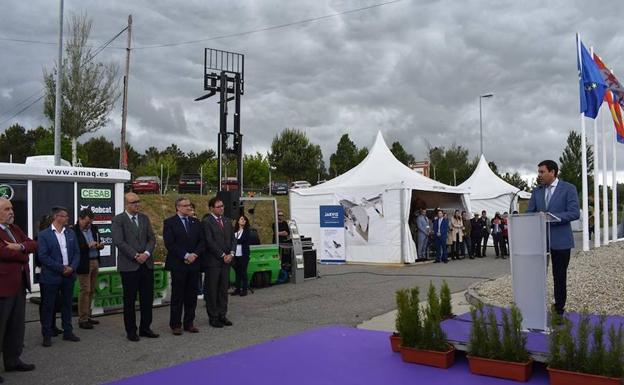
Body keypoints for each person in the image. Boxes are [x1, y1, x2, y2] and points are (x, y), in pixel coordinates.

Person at [526, 160, 579, 317]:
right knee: (537, 276)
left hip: (561, 242)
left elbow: (574, 212)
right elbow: (530, 212)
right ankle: (536, 307)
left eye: (542, 172)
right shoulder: (537, 191)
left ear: (553, 172)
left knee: (559, 277)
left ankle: (558, 311)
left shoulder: (568, 189)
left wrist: (552, 217)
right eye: (539, 172)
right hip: (540, 241)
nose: (539, 175)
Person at [112, 193, 159, 342]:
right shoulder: (118, 219)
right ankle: (131, 330)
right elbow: (119, 241)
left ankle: (145, 328)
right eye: (133, 202)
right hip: (129, 266)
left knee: (147, 299)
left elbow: (152, 238)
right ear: (126, 204)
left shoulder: (144, 218)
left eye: (138, 202)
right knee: (130, 300)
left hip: (146, 264)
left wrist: (146, 253)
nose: (137, 205)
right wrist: (135, 255)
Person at [0, 198, 37, 379]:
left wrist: (20, 247)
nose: (11, 212)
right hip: (3, 287)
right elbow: (3, 252)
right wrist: (23, 254)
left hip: (20, 285)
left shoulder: (15, 229)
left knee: (16, 326)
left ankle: (13, 360)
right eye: (7, 209)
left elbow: (33, 244)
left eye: (12, 208)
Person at [37, 206, 81, 347]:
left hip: (68, 275)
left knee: (67, 305)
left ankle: (68, 331)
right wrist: (61, 268)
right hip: (51, 277)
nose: (67, 218)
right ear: (57, 217)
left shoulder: (70, 233)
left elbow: (76, 253)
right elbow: (43, 256)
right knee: (48, 306)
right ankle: (47, 334)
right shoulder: (44, 235)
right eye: (65, 216)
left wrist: (72, 267)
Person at [163, 197, 205, 335]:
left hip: (194, 264)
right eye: (186, 205)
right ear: (178, 207)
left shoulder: (195, 222)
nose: (189, 208)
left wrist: (194, 255)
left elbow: (202, 242)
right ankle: (175, 324)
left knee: (191, 295)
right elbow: (170, 244)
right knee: (178, 296)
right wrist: (186, 255)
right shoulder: (170, 222)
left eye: (190, 205)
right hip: (178, 264)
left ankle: (189, 323)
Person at [202, 197, 235, 328]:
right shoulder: (206, 222)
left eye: (222, 206)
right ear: (211, 208)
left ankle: (222, 314)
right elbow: (209, 242)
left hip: (227, 261)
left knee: (223, 289)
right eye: (218, 206)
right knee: (212, 290)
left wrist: (231, 253)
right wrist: (222, 255)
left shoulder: (227, 221)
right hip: (213, 262)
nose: (221, 208)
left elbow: (233, 238)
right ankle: (213, 316)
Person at [74, 208, 104, 330]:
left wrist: (100, 245)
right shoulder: (74, 231)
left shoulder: (94, 228)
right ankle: (82, 318)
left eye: (90, 222)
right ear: (80, 219)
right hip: (83, 262)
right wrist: (88, 245)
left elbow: (99, 242)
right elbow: (74, 247)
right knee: (85, 290)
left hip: (95, 260)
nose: (89, 224)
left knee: (91, 289)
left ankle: (88, 315)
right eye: (86, 222)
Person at [232, 215, 252, 296]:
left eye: (245, 219)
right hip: (235, 254)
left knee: (243, 272)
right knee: (237, 272)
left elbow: (243, 240)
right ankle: (237, 289)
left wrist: (235, 241)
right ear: (238, 221)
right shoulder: (234, 231)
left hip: (243, 255)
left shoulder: (247, 231)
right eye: (241, 219)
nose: (243, 220)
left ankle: (244, 289)